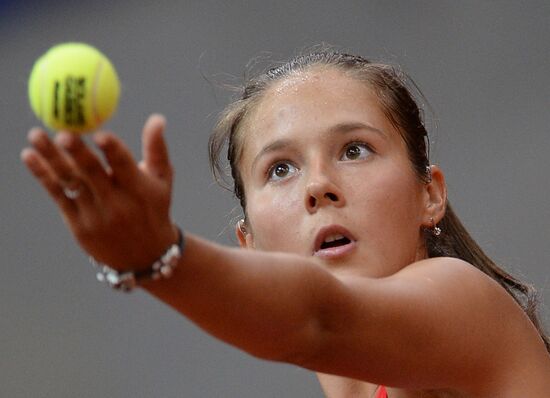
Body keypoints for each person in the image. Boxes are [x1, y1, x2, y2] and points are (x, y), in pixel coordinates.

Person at [21, 50, 550, 397]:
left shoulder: (464, 304)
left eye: (355, 149)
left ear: (429, 195)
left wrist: (159, 257)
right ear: (249, 245)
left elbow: (318, 321)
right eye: (280, 169)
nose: (318, 185)